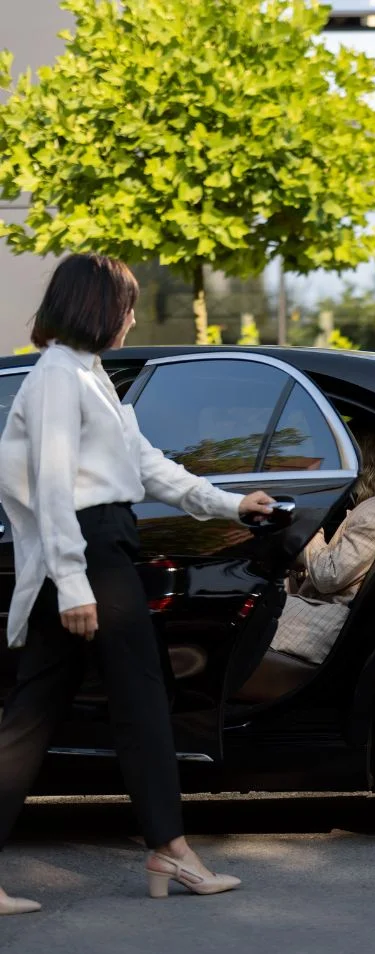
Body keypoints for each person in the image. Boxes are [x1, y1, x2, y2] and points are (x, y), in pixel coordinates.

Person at [0, 254, 277, 915]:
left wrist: (229, 504)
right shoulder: (59, 380)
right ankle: (171, 850)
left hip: (100, 544)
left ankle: (168, 849)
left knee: (33, 716)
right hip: (91, 551)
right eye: (126, 304)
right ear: (97, 307)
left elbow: (146, 466)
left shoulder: (89, 377)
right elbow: (55, 484)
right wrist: (73, 585)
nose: (131, 317)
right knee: (142, 704)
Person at [268, 421, 375, 667]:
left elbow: (329, 577)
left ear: (367, 462)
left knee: (241, 608)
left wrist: (310, 527)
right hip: (318, 610)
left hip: (321, 624)